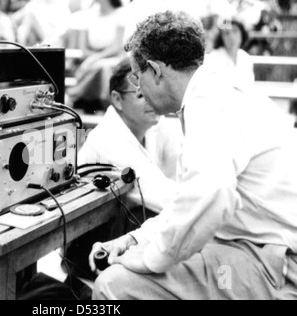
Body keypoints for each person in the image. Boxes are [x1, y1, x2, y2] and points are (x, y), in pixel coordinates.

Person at [90, 11, 297, 300]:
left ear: (155, 70)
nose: (138, 89)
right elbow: (189, 201)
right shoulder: (214, 90)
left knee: (113, 284)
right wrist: (135, 239)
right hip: (261, 252)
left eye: (138, 78)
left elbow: (209, 196)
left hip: (273, 266)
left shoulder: (207, 103)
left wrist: (146, 259)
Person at [79, 58, 182, 213]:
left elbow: (182, 173)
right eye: (141, 95)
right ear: (117, 100)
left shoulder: (155, 124)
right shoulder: (107, 141)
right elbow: (164, 198)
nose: (153, 100)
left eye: (155, 92)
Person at [203, 17, 255, 89]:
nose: (231, 37)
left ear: (242, 33)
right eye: (227, 33)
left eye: (235, 31)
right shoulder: (212, 59)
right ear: (222, 37)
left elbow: (250, 87)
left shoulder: (246, 58)